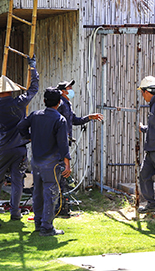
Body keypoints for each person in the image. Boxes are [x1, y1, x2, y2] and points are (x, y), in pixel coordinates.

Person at [0, 56, 39, 220]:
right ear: (11, 90)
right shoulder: (19, 103)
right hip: (20, 148)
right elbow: (33, 89)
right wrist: (33, 68)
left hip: (4, 147)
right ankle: (15, 212)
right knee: (17, 181)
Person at [17, 88, 71, 236]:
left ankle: (38, 223)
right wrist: (67, 164)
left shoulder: (35, 115)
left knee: (37, 193)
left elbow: (21, 126)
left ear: (44, 101)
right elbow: (63, 144)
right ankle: (47, 227)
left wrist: (29, 137)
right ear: (59, 103)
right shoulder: (60, 120)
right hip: (51, 164)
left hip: (36, 161)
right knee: (50, 194)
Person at [55, 79, 102, 216]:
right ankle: (59, 207)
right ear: (63, 91)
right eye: (69, 87)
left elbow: (74, 120)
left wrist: (89, 117)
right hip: (59, 144)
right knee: (61, 173)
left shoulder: (67, 104)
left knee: (63, 175)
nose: (71, 90)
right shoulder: (60, 104)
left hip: (65, 142)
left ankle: (62, 205)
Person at [137, 75, 155, 213]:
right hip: (151, 150)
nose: (142, 96)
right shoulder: (154, 105)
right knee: (144, 174)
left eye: (142, 92)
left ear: (147, 92)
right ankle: (152, 204)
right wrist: (144, 128)